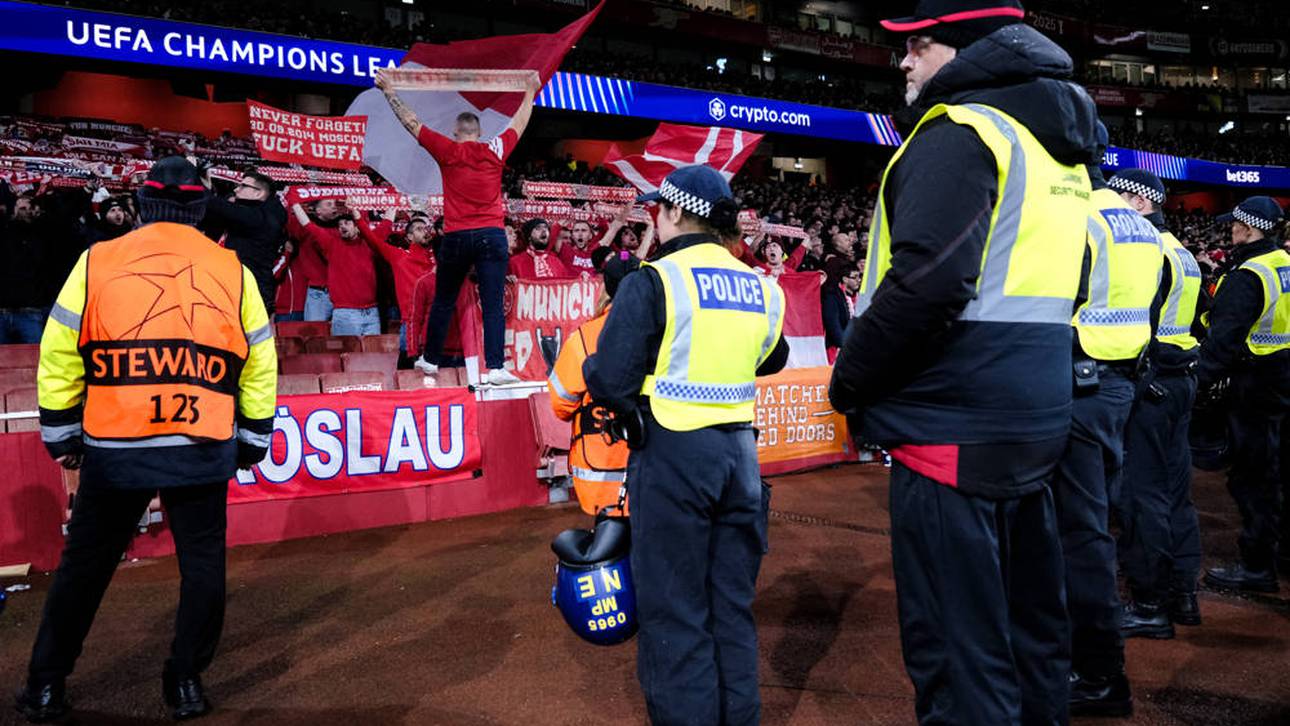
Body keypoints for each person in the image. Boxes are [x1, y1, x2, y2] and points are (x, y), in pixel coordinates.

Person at [828, 2, 1100, 723]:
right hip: (1033, 418)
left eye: (917, 47)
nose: (905, 63)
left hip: (950, 426)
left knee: (957, 649)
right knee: (1030, 636)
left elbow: (929, 282)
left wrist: (851, 381)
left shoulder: (961, 131)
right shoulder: (1057, 142)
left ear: (969, 49)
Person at [15, 157, 277, 723]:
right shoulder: (234, 270)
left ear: (142, 204)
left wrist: (61, 431)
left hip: (116, 445)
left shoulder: (97, 259)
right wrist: (253, 437)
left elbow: (59, 349)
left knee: (84, 568)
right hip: (202, 445)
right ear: (200, 207)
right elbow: (260, 361)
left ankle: (45, 684)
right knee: (203, 569)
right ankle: (184, 681)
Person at [583, 165, 788, 725]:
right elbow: (774, 356)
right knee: (731, 607)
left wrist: (597, 372)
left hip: (673, 457)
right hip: (741, 461)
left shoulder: (654, 280)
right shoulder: (758, 287)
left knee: (675, 611)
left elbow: (612, 379)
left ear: (673, 212)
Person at [1052, 144, 1164, 718]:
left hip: (1078, 383)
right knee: (1086, 524)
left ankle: (1097, 672)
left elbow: (1050, 300)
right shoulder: (1138, 226)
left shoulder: (1077, 218)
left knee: (1078, 532)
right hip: (1118, 383)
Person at [375, 68, 540, 386]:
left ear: (456, 132)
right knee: (492, 303)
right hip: (492, 235)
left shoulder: (448, 150)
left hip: (457, 235)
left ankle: (431, 360)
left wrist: (388, 91)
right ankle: (496, 368)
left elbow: (411, 123)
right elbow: (519, 123)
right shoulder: (495, 150)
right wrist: (530, 92)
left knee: (444, 300)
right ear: (478, 132)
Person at [1108, 169, 1205, 637]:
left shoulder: (1147, 250)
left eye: (1121, 199)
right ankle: (1182, 592)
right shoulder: (1183, 252)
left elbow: (1140, 324)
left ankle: (1147, 602)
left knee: (1141, 495)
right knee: (1174, 492)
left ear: (1142, 203)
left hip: (1152, 384)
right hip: (1181, 379)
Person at [1199, 197, 1290, 594]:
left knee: (1254, 478)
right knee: (1280, 473)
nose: (1230, 229)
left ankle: (1256, 567)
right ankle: (1282, 556)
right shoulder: (1283, 264)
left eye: (1235, 224)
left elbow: (1222, 342)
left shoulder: (1249, 274)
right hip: (1283, 378)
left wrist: (1197, 384)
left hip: (1255, 387)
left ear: (1250, 230)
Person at [549, 255, 638, 516]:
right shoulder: (667, 331)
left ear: (606, 287)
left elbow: (561, 404)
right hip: (656, 468)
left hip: (601, 470)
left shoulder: (583, 338)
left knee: (609, 546)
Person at [202, 171, 287, 318]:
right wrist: (206, 186)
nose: (236, 189)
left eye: (243, 186)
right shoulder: (252, 215)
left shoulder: (261, 218)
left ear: (259, 194)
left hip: (252, 294)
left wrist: (191, 178)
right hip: (235, 289)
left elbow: (216, 205)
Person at [290, 203, 380, 336]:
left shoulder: (370, 243)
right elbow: (308, 225)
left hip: (372, 313)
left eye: (346, 223)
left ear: (358, 227)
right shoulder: (331, 244)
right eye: (339, 225)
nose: (342, 226)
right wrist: (294, 202)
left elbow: (387, 224)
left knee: (372, 355)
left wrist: (397, 200)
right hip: (344, 312)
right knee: (328, 346)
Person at [357, 209, 436, 353]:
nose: (425, 231)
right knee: (408, 370)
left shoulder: (438, 258)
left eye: (426, 228)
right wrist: (357, 216)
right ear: (409, 237)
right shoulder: (399, 256)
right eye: (419, 229)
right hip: (411, 323)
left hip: (437, 321)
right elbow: (372, 239)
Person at [288, 198, 342, 322]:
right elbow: (291, 224)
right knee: (315, 336)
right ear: (317, 210)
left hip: (341, 292)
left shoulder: (343, 229)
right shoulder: (305, 229)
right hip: (318, 292)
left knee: (345, 338)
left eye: (335, 204)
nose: (334, 207)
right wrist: (296, 202)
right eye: (329, 204)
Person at [510, 218, 575, 280]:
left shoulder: (557, 262)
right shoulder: (515, 263)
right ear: (529, 236)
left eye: (546, 228)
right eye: (538, 228)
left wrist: (581, 279)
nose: (544, 230)